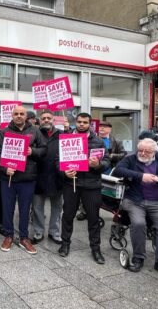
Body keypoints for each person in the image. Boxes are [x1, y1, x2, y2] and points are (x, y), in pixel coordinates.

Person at [113, 138, 158, 281]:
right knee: (138, 224)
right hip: (135, 201)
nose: (143, 153)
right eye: (141, 150)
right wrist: (141, 176)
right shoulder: (131, 159)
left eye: (147, 151)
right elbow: (117, 170)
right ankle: (138, 258)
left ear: (154, 151)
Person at [58, 112, 110, 264]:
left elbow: (106, 161)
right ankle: (65, 244)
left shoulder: (99, 141)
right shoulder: (66, 138)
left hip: (92, 185)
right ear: (76, 122)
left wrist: (98, 165)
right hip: (71, 183)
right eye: (79, 122)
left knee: (93, 218)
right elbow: (57, 160)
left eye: (85, 122)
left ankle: (96, 249)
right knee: (67, 216)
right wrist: (64, 172)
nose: (81, 124)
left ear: (89, 124)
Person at [0, 105, 46, 254]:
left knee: (25, 209)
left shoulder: (35, 131)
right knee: (7, 208)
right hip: (9, 178)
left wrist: (33, 151)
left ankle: (24, 237)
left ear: (26, 116)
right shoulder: (3, 132)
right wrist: (5, 169)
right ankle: (8, 235)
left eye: (21, 114)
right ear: (12, 115)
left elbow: (44, 149)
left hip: (27, 177)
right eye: (16, 113)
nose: (19, 116)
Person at [77, 119, 127, 221]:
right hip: (90, 171)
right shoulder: (91, 138)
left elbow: (123, 154)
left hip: (108, 171)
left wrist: (111, 156)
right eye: (100, 127)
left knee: (104, 194)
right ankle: (84, 211)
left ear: (110, 129)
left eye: (105, 127)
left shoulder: (116, 141)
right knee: (87, 192)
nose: (102, 129)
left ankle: (106, 211)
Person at [32, 110, 63, 245]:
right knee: (37, 207)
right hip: (38, 176)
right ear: (39, 120)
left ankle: (54, 232)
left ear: (53, 120)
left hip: (57, 177)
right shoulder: (34, 134)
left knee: (57, 207)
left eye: (48, 118)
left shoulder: (62, 135)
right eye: (43, 118)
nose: (46, 120)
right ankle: (38, 232)